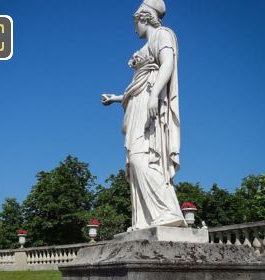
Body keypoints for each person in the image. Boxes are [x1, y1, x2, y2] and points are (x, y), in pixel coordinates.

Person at [101, 0, 187, 231]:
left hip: (150, 103)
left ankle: (168, 211)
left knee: (144, 157)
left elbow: (167, 64)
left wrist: (154, 96)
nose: (134, 28)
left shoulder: (163, 34)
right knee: (135, 157)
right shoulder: (147, 44)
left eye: (135, 22)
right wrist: (118, 98)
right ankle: (144, 220)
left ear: (144, 17)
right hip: (138, 103)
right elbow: (137, 87)